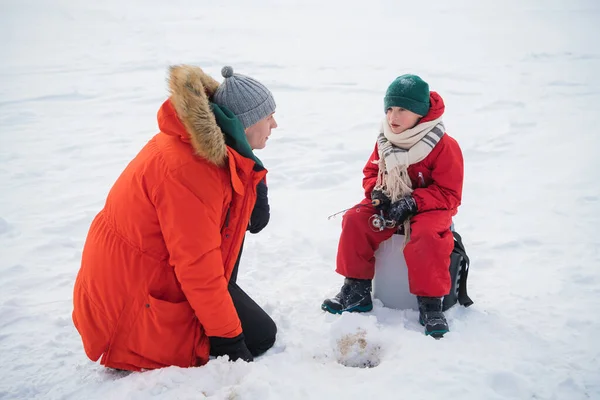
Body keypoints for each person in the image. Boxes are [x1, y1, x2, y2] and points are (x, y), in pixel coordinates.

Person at [72, 64, 278, 371]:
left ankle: (213, 312)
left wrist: (255, 186)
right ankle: (206, 326)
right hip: (131, 310)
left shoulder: (198, 143)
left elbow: (235, 159)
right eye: (268, 117)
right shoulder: (190, 175)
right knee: (261, 337)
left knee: (229, 226)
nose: (274, 125)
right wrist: (228, 340)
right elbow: (197, 267)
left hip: (138, 277)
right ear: (245, 124)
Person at [321, 74, 464, 338]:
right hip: (392, 200)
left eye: (401, 110)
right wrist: (378, 194)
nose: (392, 117)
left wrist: (413, 201)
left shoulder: (445, 146)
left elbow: (449, 194)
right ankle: (356, 289)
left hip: (430, 208)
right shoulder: (385, 140)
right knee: (355, 219)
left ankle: (431, 304)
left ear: (420, 114)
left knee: (426, 235)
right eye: (389, 109)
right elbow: (371, 173)